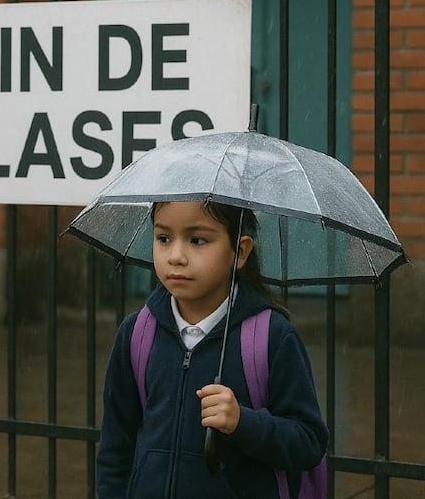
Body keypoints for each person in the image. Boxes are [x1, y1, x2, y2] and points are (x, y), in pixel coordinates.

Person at [96, 200, 327, 498]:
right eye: (163, 238)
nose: (176, 256)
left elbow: (308, 442)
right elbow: (116, 447)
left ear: (240, 252)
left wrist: (243, 423)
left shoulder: (273, 337)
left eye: (197, 240)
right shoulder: (136, 333)